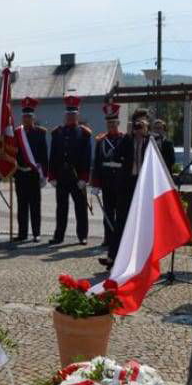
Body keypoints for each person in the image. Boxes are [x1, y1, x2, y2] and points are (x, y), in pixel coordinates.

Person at [101, 108, 151, 269]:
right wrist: (129, 135)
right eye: (137, 122)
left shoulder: (151, 140)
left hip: (143, 186)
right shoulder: (127, 139)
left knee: (142, 222)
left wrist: (146, 135)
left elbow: (159, 159)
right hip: (127, 185)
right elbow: (115, 155)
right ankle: (113, 257)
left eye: (142, 122)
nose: (139, 125)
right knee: (121, 221)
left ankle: (141, 258)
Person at [48, 95, 92, 245]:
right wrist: (52, 176)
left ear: (77, 115)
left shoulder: (84, 133)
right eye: (68, 114)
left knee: (80, 208)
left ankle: (82, 236)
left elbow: (87, 157)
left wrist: (84, 178)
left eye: (73, 114)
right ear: (65, 115)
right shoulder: (57, 133)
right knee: (61, 208)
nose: (70, 117)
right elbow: (53, 156)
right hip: (61, 176)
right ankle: (58, 236)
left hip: (77, 177)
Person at [13, 97, 49, 242]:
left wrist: (44, 175)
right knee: (21, 205)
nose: (26, 119)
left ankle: (36, 233)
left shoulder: (40, 133)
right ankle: (22, 233)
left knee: (35, 205)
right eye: (24, 116)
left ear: (33, 117)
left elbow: (44, 156)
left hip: (34, 174)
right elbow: (13, 153)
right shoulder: (17, 133)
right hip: (20, 173)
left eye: (29, 116)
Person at [91, 103, 125, 249]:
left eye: (113, 123)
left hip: (120, 182)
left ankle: (120, 238)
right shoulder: (101, 141)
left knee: (121, 212)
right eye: (109, 123)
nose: (111, 126)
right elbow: (97, 163)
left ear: (118, 123)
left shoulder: (124, 139)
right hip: (107, 182)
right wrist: (95, 183)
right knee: (108, 212)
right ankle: (108, 238)